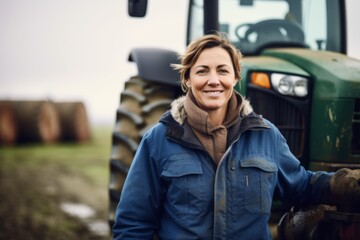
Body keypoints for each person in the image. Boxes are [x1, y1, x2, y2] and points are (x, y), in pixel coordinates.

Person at [112, 33, 360, 239]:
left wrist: (338, 184)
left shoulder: (265, 136)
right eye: (202, 71)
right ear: (186, 79)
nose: (213, 80)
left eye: (222, 70)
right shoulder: (159, 140)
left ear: (235, 78)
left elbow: (302, 185)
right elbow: (133, 224)